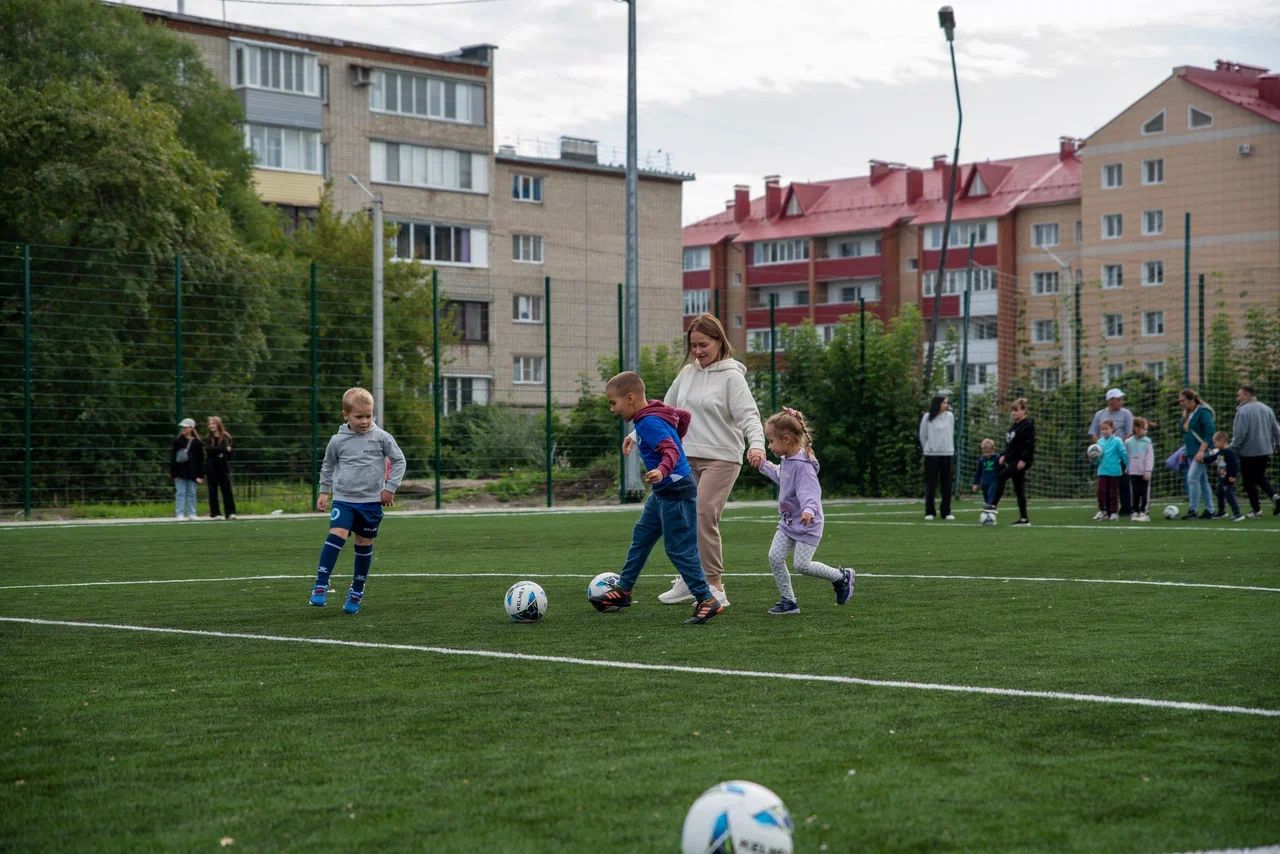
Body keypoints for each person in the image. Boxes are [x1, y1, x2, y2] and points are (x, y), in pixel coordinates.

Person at [624, 314, 765, 609]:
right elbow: (663, 411)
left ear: (719, 341)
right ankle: (690, 581)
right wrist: (636, 435)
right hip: (685, 458)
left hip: (722, 458)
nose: (698, 351)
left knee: (703, 513)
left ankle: (715, 585)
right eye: (694, 346)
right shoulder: (687, 373)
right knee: (681, 518)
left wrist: (757, 445)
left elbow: (749, 416)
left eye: (704, 345)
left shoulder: (732, 377)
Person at [592, 371, 723, 625]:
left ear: (630, 398)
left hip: (676, 490)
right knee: (642, 536)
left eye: (613, 403)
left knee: (679, 549)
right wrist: (675, 438)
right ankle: (624, 590)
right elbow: (684, 416)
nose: (612, 409)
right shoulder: (653, 412)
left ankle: (707, 599)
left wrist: (663, 469)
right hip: (663, 492)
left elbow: (671, 450)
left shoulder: (649, 422)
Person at [310, 388, 406, 614]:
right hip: (344, 499)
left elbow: (399, 460)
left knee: (364, 544)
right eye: (358, 416)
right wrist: (324, 491)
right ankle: (321, 584)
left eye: (368, 416)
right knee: (336, 535)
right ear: (346, 415)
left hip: (371, 502)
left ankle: (357, 590)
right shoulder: (337, 441)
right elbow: (328, 465)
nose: (364, 421)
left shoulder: (382, 437)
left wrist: (390, 488)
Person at [753, 408, 854, 616]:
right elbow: (782, 476)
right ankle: (789, 601)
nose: (769, 446)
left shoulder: (804, 466)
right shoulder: (788, 460)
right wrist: (764, 465)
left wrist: (809, 510)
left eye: (771, 441)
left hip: (808, 523)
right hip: (789, 522)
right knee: (774, 557)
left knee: (802, 565)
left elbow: (811, 492)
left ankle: (840, 577)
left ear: (787, 439)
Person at [1229, 385, 1280, 518]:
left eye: (1239, 395)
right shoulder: (1266, 409)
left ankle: (1256, 510)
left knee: (1248, 481)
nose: (1237, 398)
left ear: (1247, 395)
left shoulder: (1243, 411)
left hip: (1249, 451)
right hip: (1265, 450)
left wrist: (1233, 448)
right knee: (1260, 476)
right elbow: (1276, 429)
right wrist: (1278, 444)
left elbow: (1240, 433)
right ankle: (1274, 496)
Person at [986, 398, 1035, 526]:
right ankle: (1024, 519)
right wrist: (1004, 455)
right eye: (1012, 410)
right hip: (1014, 460)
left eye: (1016, 410)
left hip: (1020, 461)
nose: (1013, 413)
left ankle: (993, 505)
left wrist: (1024, 459)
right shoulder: (1014, 426)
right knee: (1019, 489)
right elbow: (1010, 444)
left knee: (1002, 476)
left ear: (1024, 411)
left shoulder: (1028, 425)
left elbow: (1029, 445)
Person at [1089, 388, 1135, 516]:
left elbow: (1129, 433)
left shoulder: (1126, 414)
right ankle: (1106, 509)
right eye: (1118, 399)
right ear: (1110, 401)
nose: (1121, 402)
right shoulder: (1100, 415)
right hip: (1105, 456)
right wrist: (1099, 449)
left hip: (1120, 453)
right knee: (1105, 484)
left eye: (1121, 399)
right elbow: (1094, 433)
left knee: (1123, 482)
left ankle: (1126, 508)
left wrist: (1117, 447)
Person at [1178, 389, 1217, 520]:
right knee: (1202, 480)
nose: (1181, 403)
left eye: (1183, 400)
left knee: (1192, 478)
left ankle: (1193, 510)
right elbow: (1187, 433)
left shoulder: (1203, 412)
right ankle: (1210, 509)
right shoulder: (1187, 414)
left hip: (1202, 451)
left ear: (1191, 400)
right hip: (1191, 451)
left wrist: (1201, 451)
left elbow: (1210, 432)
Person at [919, 395, 955, 521]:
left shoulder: (950, 416)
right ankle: (930, 511)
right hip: (931, 455)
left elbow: (950, 433)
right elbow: (923, 434)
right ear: (937, 404)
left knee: (947, 484)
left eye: (946, 403)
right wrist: (928, 448)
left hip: (947, 454)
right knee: (931, 484)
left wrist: (947, 446)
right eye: (944, 403)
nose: (946, 405)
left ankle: (946, 512)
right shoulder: (927, 417)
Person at [1092, 419, 1128, 521]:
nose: (1104, 431)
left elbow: (1123, 454)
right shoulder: (1099, 442)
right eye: (1102, 429)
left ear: (1112, 429)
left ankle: (1113, 512)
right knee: (1100, 491)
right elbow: (1098, 458)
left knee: (1113, 492)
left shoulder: (1117, 441)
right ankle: (1103, 511)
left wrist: (1128, 466)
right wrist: (1093, 459)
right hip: (1102, 470)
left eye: (1106, 428)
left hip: (1114, 471)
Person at [170, 418, 205, 521]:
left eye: (186, 427)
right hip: (180, 471)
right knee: (180, 493)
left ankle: (192, 513)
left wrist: (201, 474)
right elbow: (173, 458)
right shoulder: (177, 441)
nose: (183, 429)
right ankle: (179, 513)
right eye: (182, 427)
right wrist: (174, 473)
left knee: (192, 493)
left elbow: (201, 460)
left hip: (193, 472)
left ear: (191, 428)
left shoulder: (197, 443)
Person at [1204, 432, 1244, 522]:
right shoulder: (1221, 451)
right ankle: (1221, 512)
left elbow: (1235, 465)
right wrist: (1203, 459)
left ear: (1221, 441)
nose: (1214, 444)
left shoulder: (1229, 452)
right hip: (1222, 478)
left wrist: (1232, 476)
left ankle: (1237, 514)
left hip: (1227, 479)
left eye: (1215, 442)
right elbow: (1213, 457)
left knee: (1229, 495)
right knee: (1219, 493)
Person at [204, 416, 237, 520]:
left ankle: (230, 512)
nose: (211, 426)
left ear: (218, 424)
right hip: (211, 467)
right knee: (212, 491)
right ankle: (215, 513)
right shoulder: (208, 438)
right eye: (210, 424)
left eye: (213, 423)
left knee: (227, 489)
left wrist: (221, 450)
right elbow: (209, 450)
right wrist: (223, 449)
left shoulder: (226, 436)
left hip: (223, 466)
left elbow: (229, 451)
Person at [1125, 417, 1155, 522]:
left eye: (1147, 429)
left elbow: (1150, 458)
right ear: (1136, 428)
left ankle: (1144, 511)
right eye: (1144, 429)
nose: (1146, 431)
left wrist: (1148, 471)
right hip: (1133, 472)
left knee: (1144, 492)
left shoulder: (1147, 442)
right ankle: (1135, 511)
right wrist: (1128, 467)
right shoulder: (1128, 442)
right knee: (1135, 492)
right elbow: (1127, 456)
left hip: (1144, 472)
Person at [971, 439, 1000, 507]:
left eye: (988, 452)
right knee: (986, 498)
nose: (986, 454)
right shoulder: (981, 460)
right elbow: (978, 473)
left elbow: (1002, 468)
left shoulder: (997, 458)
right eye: (985, 452)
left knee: (991, 494)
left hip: (993, 482)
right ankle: (989, 508)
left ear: (993, 449)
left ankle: (990, 506)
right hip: (984, 483)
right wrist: (975, 484)